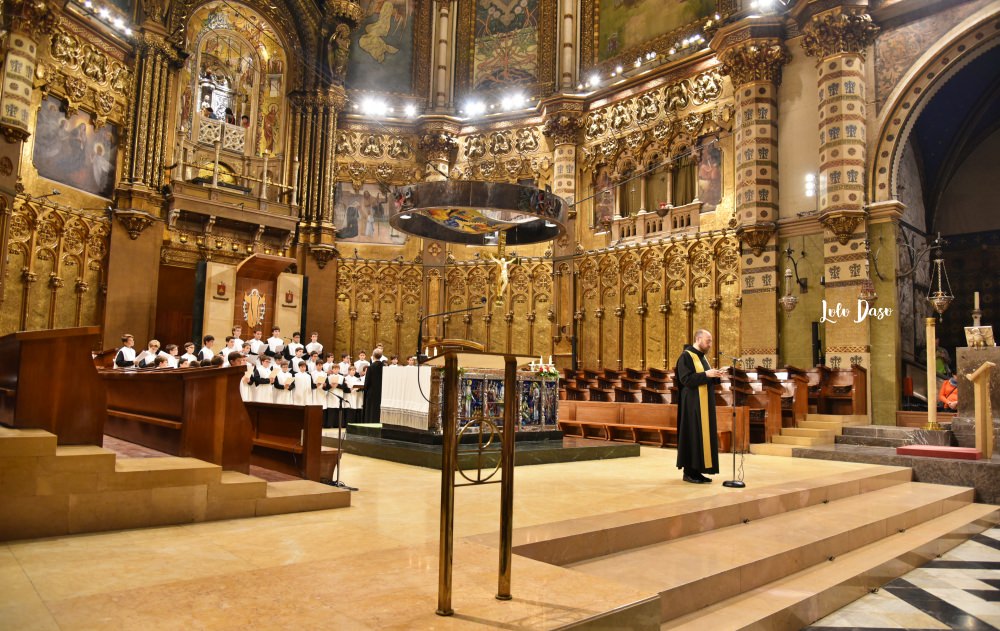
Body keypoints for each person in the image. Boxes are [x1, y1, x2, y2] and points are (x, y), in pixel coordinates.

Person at [675, 329, 726, 484]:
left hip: (703, 403)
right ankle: (689, 472)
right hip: (692, 404)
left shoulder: (703, 358)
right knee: (693, 434)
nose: (710, 344)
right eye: (707, 340)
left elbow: (705, 378)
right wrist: (707, 375)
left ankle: (698, 471)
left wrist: (717, 375)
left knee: (701, 436)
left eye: (710, 341)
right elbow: (685, 379)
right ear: (698, 339)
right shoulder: (686, 356)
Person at [361, 347, 386, 424]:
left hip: (371, 391)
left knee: (371, 409)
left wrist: (365, 389)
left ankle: (370, 423)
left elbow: (367, 381)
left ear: (373, 356)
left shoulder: (371, 367)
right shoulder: (384, 366)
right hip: (381, 391)